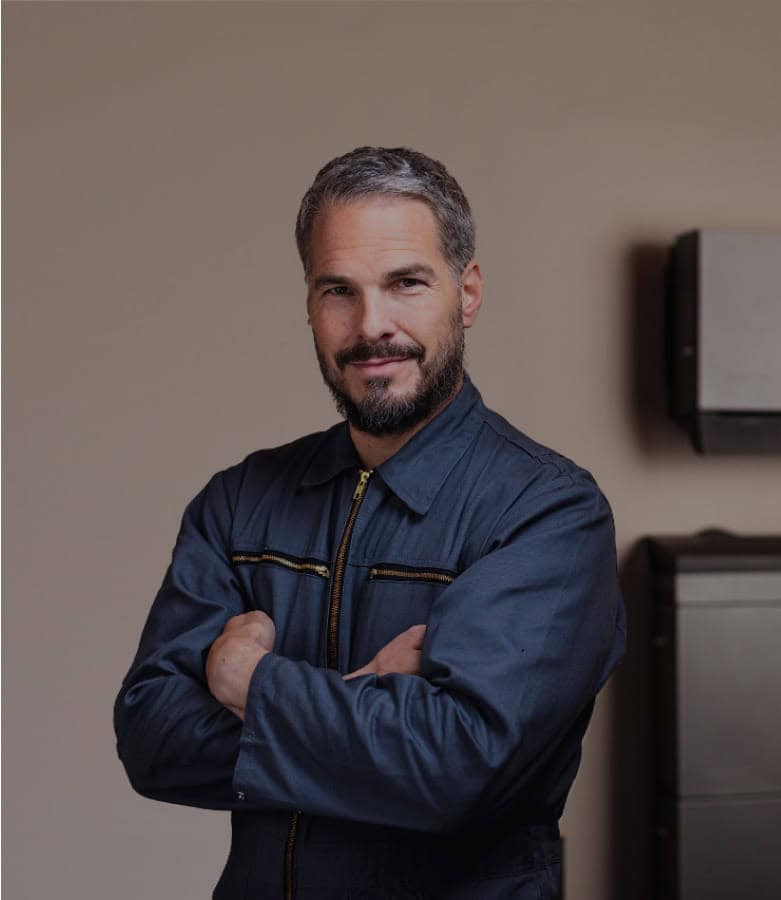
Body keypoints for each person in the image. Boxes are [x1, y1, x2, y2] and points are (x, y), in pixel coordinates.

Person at [114, 146, 626, 899]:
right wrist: (376, 724)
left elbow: (457, 767)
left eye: (406, 284)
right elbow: (152, 740)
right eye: (337, 291)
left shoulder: (545, 512)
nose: (370, 326)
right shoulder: (239, 500)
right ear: (309, 303)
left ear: (468, 291)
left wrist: (248, 680)